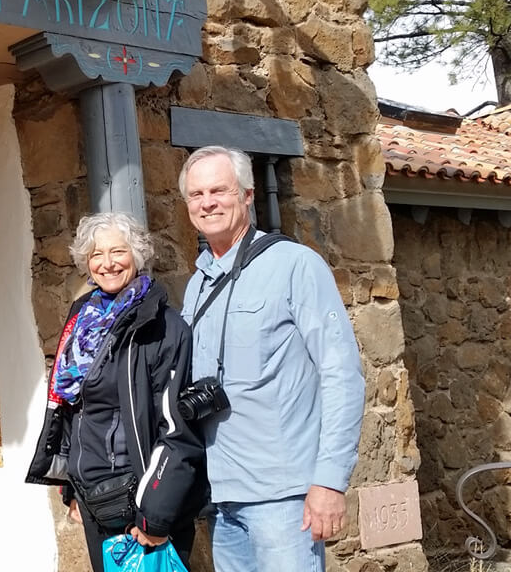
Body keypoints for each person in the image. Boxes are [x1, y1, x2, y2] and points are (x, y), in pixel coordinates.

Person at [177, 146, 365, 572]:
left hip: (284, 498)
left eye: (219, 190)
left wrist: (329, 481)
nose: (207, 203)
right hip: (221, 496)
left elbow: (342, 376)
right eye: (196, 194)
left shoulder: (295, 265)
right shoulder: (197, 285)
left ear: (247, 195)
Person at [27, 211, 205, 571]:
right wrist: (72, 491)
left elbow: (177, 428)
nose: (107, 263)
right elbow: (70, 409)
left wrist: (154, 516)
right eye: (96, 254)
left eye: (118, 251)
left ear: (136, 255)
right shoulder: (82, 320)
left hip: (139, 505)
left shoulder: (161, 326)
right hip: (95, 501)